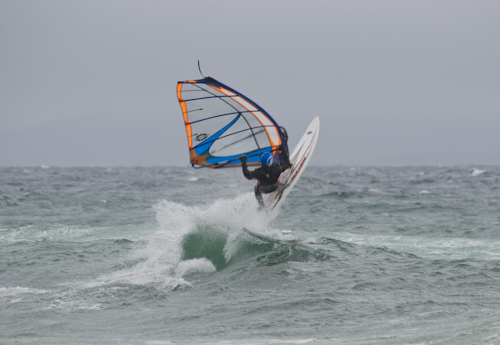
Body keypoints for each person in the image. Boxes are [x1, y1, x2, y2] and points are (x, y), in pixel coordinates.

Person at [240, 143, 291, 208]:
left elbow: (247, 175)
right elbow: (287, 163)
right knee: (278, 175)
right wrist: (283, 149)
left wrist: (243, 162)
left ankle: (261, 205)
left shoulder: (258, 172)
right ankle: (280, 187)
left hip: (264, 190)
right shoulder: (277, 168)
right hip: (275, 186)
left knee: (256, 188)